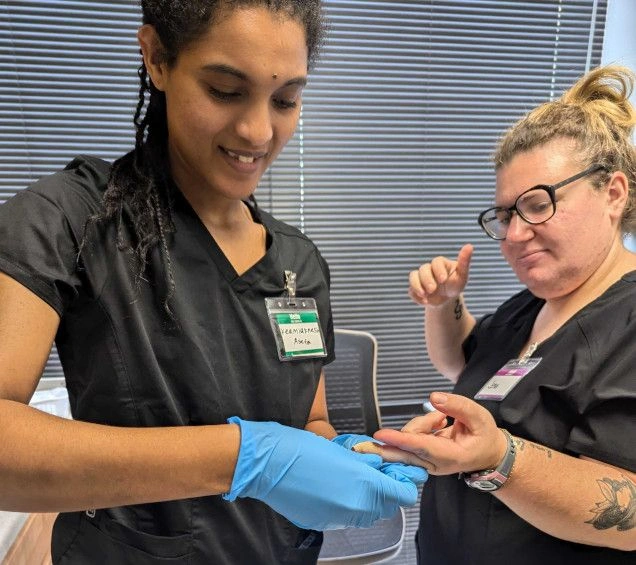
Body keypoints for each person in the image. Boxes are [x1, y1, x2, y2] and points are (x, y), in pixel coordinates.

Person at [0, 2, 426, 564]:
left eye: (286, 100)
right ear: (156, 58)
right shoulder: (70, 219)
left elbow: (310, 420)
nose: (258, 130)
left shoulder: (298, 262)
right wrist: (249, 458)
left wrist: (348, 454)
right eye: (225, 89)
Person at [372, 65, 636, 564]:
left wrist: (500, 459)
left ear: (613, 194)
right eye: (507, 214)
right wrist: (443, 304)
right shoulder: (535, 302)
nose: (515, 235)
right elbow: (460, 362)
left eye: (538, 205)